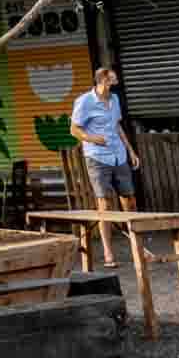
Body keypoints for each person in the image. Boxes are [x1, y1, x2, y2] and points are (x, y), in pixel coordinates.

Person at [70, 68, 142, 267]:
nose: (116, 82)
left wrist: (130, 151)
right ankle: (109, 253)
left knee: (130, 201)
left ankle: (138, 247)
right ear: (102, 80)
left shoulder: (115, 99)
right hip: (97, 157)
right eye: (112, 79)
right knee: (104, 205)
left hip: (118, 155)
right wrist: (92, 139)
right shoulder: (84, 101)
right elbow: (74, 129)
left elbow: (117, 126)